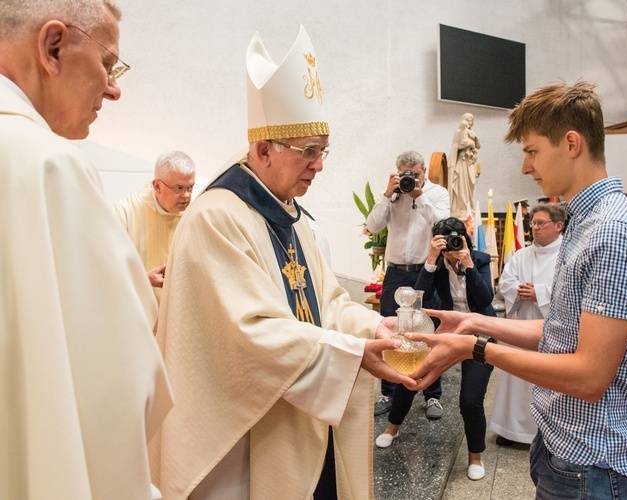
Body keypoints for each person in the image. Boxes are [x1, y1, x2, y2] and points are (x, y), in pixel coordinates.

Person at [148, 26, 415, 499]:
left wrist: (371, 329)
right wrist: (349, 353)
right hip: (248, 435)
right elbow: (251, 333)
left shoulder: (290, 215)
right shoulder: (218, 219)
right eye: (307, 152)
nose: (319, 165)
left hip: (305, 413)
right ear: (262, 149)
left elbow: (327, 300)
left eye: (322, 151)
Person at [404, 81, 627, 499]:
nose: (526, 167)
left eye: (531, 151)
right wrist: (478, 321)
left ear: (571, 143)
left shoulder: (611, 233)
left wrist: (475, 348)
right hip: (567, 445)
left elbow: (590, 376)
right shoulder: (585, 222)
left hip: (595, 460)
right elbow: (563, 333)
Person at [0, 1, 173, 498]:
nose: (114, 88)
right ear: (52, 47)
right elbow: (116, 387)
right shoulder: (50, 166)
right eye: (107, 63)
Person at [376, 217, 496, 481]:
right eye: (447, 242)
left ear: (465, 239)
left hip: (479, 333)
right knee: (411, 377)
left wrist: (468, 265)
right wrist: (431, 260)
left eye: (458, 239)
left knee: (470, 400)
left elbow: (486, 299)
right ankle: (392, 428)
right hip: (446, 332)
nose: (453, 246)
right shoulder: (437, 265)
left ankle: (475, 456)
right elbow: (418, 297)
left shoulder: (480, 259)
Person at [366, 150, 450, 417]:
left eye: (414, 174)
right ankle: (388, 393)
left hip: (426, 271)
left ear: (423, 171)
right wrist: (386, 195)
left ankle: (432, 396)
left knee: (428, 333)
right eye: (405, 174)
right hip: (395, 274)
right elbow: (373, 225)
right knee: (390, 332)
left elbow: (442, 224)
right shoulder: (393, 195)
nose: (410, 179)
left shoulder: (437, 194)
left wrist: (418, 196)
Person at [490, 202, 565, 447]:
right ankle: (512, 431)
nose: (535, 228)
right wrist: (519, 291)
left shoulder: (567, 254)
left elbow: (572, 292)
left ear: (558, 225)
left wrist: (540, 293)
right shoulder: (522, 255)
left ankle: (544, 435)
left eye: (540, 223)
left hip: (551, 329)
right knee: (518, 378)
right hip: (522, 324)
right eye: (533, 223)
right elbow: (505, 283)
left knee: (545, 380)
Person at [113, 150, 196, 300]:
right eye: (179, 188)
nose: (186, 195)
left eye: (190, 187)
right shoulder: (125, 211)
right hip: (140, 312)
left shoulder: (196, 211)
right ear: (157, 186)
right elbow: (105, 266)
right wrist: (143, 279)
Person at [447, 112, 481, 219]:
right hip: (461, 161)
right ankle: (461, 208)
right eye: (468, 120)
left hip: (470, 162)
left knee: (471, 183)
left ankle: (469, 206)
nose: (470, 122)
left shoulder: (472, 133)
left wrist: (475, 139)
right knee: (461, 184)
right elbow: (457, 146)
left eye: (471, 120)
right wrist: (470, 143)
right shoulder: (458, 132)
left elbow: (478, 146)